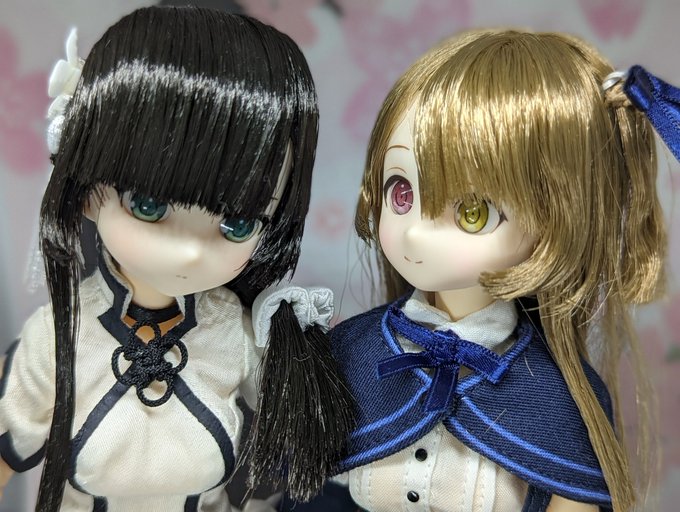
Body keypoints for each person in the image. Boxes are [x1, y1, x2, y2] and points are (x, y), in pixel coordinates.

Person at [0, 6, 351, 511]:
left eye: (237, 224)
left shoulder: (235, 332)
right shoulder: (60, 338)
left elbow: (309, 441)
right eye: (148, 206)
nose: (189, 251)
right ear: (88, 190)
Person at [329, 29, 679, 512]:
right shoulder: (355, 351)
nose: (416, 234)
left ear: (557, 221)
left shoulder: (552, 395)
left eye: (472, 213)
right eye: (402, 193)